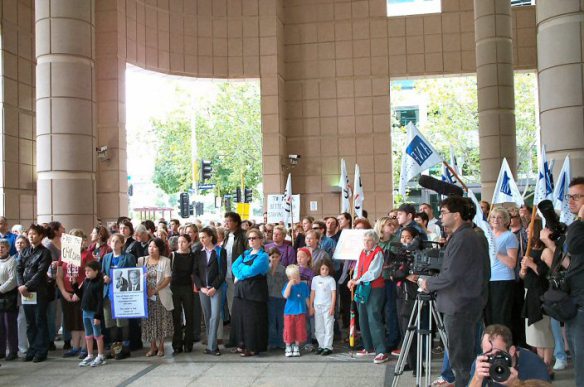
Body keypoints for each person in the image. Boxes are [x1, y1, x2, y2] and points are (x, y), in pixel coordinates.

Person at [419, 196, 490, 386]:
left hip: (460, 307)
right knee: (471, 358)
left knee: (461, 362)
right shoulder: (470, 235)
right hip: (467, 304)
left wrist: (428, 284)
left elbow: (451, 275)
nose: (440, 217)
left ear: (457, 215)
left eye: (443, 213)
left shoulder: (464, 238)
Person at [348, 229, 388, 364]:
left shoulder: (378, 253)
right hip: (362, 287)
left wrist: (357, 281)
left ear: (375, 241)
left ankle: (381, 350)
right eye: (365, 240)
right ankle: (368, 346)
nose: (366, 242)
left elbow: (374, 272)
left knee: (374, 318)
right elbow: (358, 267)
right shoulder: (362, 252)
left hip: (375, 288)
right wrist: (353, 280)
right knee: (363, 317)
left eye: (369, 240)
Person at [519, 220, 554, 373]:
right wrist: (523, 270)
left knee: (542, 331)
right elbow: (523, 276)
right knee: (535, 334)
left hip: (541, 294)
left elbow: (551, 274)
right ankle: (541, 364)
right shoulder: (530, 249)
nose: (526, 232)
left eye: (529, 229)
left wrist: (533, 265)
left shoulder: (546, 251)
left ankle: (546, 364)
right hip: (530, 292)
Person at [469, 324, 550, 386]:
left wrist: (515, 384)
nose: (492, 358)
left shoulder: (534, 365)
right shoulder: (482, 362)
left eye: (498, 353)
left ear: (511, 351)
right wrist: (477, 379)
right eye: (487, 353)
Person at [17, 224, 53, 362]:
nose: (31, 236)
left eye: (34, 234)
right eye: (29, 234)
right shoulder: (24, 251)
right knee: (29, 322)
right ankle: (32, 349)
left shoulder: (45, 252)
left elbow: (40, 272)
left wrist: (26, 285)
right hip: (25, 291)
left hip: (39, 290)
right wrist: (21, 285)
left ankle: (41, 350)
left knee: (39, 320)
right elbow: (19, 269)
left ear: (41, 236)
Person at [231, 229, 269, 357]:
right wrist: (242, 272)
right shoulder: (245, 253)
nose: (251, 240)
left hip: (254, 292)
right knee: (240, 318)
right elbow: (234, 267)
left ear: (260, 239)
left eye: (254, 238)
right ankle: (242, 344)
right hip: (241, 291)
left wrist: (240, 273)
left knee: (252, 320)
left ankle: (252, 347)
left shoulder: (263, 256)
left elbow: (251, 271)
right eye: (249, 238)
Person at [56, 228, 91, 359]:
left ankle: (84, 347)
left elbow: (89, 275)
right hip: (67, 292)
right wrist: (64, 292)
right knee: (71, 320)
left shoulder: (86, 255)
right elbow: (59, 275)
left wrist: (78, 291)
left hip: (82, 291)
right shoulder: (63, 256)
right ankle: (75, 346)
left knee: (82, 320)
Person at [101, 233, 136, 358]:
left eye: (117, 241)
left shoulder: (128, 257)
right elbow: (102, 272)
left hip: (122, 295)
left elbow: (133, 273)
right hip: (108, 294)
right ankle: (114, 348)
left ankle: (125, 348)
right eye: (112, 241)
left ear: (122, 244)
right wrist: (104, 276)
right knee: (110, 323)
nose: (114, 244)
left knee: (122, 322)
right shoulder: (106, 257)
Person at [564, 176, 584, 387]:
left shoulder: (579, 227)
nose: (571, 201)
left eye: (577, 197)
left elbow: (576, 245)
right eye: (570, 197)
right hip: (575, 303)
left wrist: (580, 220)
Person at [193, 227, 226, 356]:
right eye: (200, 238)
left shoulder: (220, 251)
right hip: (203, 289)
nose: (202, 240)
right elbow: (195, 273)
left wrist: (214, 288)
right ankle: (212, 345)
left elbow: (222, 273)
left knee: (215, 316)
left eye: (204, 237)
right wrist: (201, 287)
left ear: (211, 237)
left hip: (215, 289)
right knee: (207, 317)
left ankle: (212, 347)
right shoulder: (198, 252)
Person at [137, 238, 173, 357]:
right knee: (149, 322)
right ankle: (152, 347)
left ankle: (162, 346)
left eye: (154, 247)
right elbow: (136, 276)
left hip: (160, 294)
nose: (151, 249)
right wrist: (147, 289)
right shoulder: (142, 260)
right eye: (149, 247)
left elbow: (168, 278)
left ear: (159, 249)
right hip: (146, 296)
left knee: (162, 321)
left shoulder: (165, 261)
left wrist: (155, 290)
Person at [486, 207, 518, 329]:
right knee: (490, 316)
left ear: (505, 220)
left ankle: (504, 345)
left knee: (501, 316)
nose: (496, 220)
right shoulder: (488, 235)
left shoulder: (509, 236)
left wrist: (496, 252)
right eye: (493, 217)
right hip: (488, 279)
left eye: (499, 217)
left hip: (503, 280)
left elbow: (512, 263)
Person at [375, 216, 401, 352]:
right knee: (377, 310)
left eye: (393, 224)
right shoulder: (375, 241)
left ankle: (392, 339)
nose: (392, 227)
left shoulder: (396, 241)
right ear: (381, 227)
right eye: (389, 225)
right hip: (376, 280)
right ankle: (379, 339)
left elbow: (396, 261)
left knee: (390, 310)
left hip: (390, 280)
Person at [75, 260, 106, 367]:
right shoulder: (86, 281)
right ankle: (89, 354)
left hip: (93, 312)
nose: (87, 273)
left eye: (89, 271)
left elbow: (100, 301)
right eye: (86, 271)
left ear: (96, 271)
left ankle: (101, 355)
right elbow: (79, 294)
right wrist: (74, 284)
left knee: (97, 334)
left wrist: (97, 316)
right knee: (88, 334)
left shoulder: (99, 282)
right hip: (85, 311)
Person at [223, 212, 247, 347]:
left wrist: (241, 274)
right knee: (232, 308)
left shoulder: (243, 236)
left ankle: (242, 339)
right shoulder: (227, 236)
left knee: (240, 309)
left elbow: (247, 257)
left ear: (236, 222)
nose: (226, 223)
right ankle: (235, 337)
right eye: (225, 221)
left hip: (239, 278)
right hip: (227, 276)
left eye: (229, 221)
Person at [169, 234, 195, 354]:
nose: (180, 244)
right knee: (176, 316)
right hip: (174, 287)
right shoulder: (173, 255)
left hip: (187, 287)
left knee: (189, 315)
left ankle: (188, 343)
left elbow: (194, 272)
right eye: (179, 242)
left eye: (183, 242)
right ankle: (177, 343)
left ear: (189, 243)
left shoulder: (192, 256)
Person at [309, 258, 336, 356]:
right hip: (317, 306)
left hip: (327, 306)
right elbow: (313, 293)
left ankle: (328, 346)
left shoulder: (331, 280)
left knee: (328, 326)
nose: (324, 271)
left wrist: (332, 307)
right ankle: (321, 345)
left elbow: (333, 294)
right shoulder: (315, 279)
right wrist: (311, 306)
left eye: (326, 269)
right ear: (319, 269)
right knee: (319, 327)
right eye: (323, 269)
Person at [282, 264, 309, 357]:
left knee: (299, 330)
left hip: (300, 312)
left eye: (298, 276)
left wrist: (310, 307)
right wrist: (290, 284)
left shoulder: (303, 285)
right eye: (294, 277)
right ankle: (288, 345)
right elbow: (285, 295)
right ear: (289, 278)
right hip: (289, 312)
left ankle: (296, 346)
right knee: (289, 329)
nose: (297, 279)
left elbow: (306, 298)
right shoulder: (287, 285)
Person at [0, 238, 18, 361]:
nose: (0, 249)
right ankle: (1, 350)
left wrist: (0, 289)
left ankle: (12, 350)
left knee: (9, 324)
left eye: (3, 247)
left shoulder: (12, 261)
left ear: (8, 248)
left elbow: (13, 280)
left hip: (8, 296)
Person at [266, 247, 287, 350]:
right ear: (269, 257)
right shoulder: (266, 269)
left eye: (276, 257)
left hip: (281, 298)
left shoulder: (283, 269)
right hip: (270, 298)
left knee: (281, 321)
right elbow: (266, 284)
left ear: (280, 257)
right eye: (272, 257)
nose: (274, 259)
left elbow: (285, 284)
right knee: (272, 321)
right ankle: (272, 342)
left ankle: (281, 341)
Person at [13, 235, 30, 356]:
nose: (19, 244)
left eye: (22, 243)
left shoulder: (29, 258)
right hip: (10, 294)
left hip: (24, 291)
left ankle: (25, 347)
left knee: (23, 319)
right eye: (17, 243)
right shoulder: (11, 258)